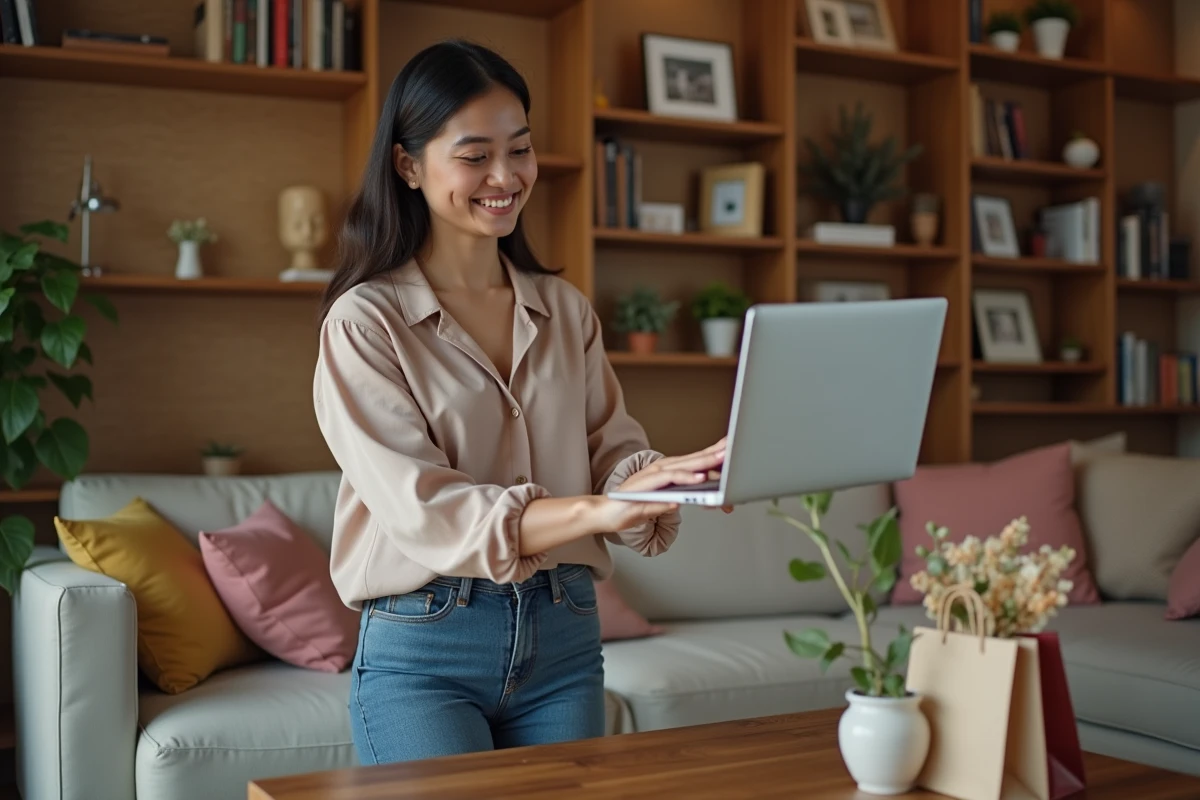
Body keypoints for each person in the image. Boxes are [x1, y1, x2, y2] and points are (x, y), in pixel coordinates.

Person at [311, 39, 728, 767]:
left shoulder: (566, 311)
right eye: (474, 156)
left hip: (564, 633)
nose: (505, 177)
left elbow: (611, 447)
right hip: (426, 646)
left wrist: (656, 482)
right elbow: (425, 507)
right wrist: (600, 511)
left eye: (521, 150)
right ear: (409, 165)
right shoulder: (364, 323)